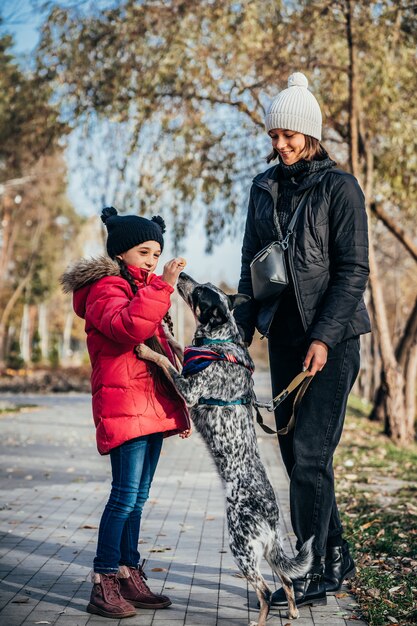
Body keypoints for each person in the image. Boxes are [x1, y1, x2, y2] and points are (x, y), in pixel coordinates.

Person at [234, 72, 371, 609]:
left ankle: (312, 566)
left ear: (310, 133)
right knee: (296, 458)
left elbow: (353, 270)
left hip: (332, 343)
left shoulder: (340, 188)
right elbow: (251, 271)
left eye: (289, 133)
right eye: (274, 134)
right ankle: (336, 555)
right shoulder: (262, 188)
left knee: (312, 456)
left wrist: (324, 336)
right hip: (285, 338)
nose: (280, 143)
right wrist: (237, 340)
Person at [61, 207, 191, 619]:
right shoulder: (106, 288)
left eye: (156, 253)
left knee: (138, 498)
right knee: (123, 497)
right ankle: (103, 581)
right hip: (125, 405)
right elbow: (128, 329)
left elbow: (160, 351)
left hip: (148, 405)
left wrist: (179, 404)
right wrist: (164, 287)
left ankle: (128, 571)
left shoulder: (141, 288)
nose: (153, 261)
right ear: (120, 253)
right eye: (144, 252)